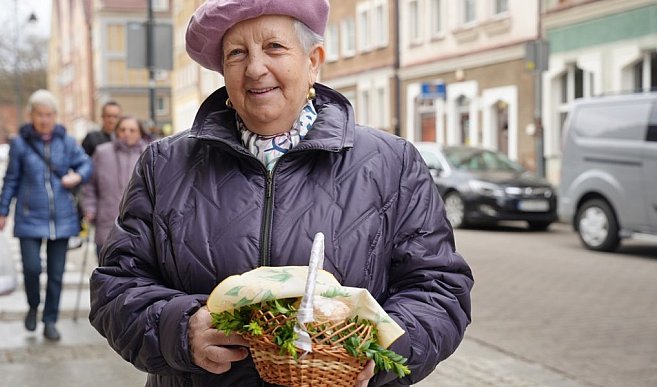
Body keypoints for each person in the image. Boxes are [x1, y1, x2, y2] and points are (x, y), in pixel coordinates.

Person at [89, 1, 473, 386]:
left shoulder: (392, 163)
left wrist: (380, 348)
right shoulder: (164, 164)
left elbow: (439, 288)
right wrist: (180, 330)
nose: (255, 68)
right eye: (237, 53)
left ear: (313, 60)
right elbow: (116, 288)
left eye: (274, 47)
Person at [0, 89, 92, 341]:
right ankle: (33, 305)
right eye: (39, 115)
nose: (45, 119)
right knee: (31, 268)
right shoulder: (20, 144)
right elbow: (11, 179)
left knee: (56, 274)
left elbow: (85, 164)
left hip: (62, 218)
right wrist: (2, 211)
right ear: (31, 115)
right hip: (29, 216)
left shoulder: (67, 142)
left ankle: (50, 320)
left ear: (55, 116)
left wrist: (77, 175)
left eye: (49, 115)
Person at [80, 116, 150, 257]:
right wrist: (89, 208)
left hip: (140, 226)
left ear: (140, 133)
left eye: (132, 130)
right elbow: (90, 185)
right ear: (116, 132)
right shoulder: (102, 152)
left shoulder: (150, 153)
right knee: (106, 270)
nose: (127, 133)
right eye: (123, 129)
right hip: (106, 221)